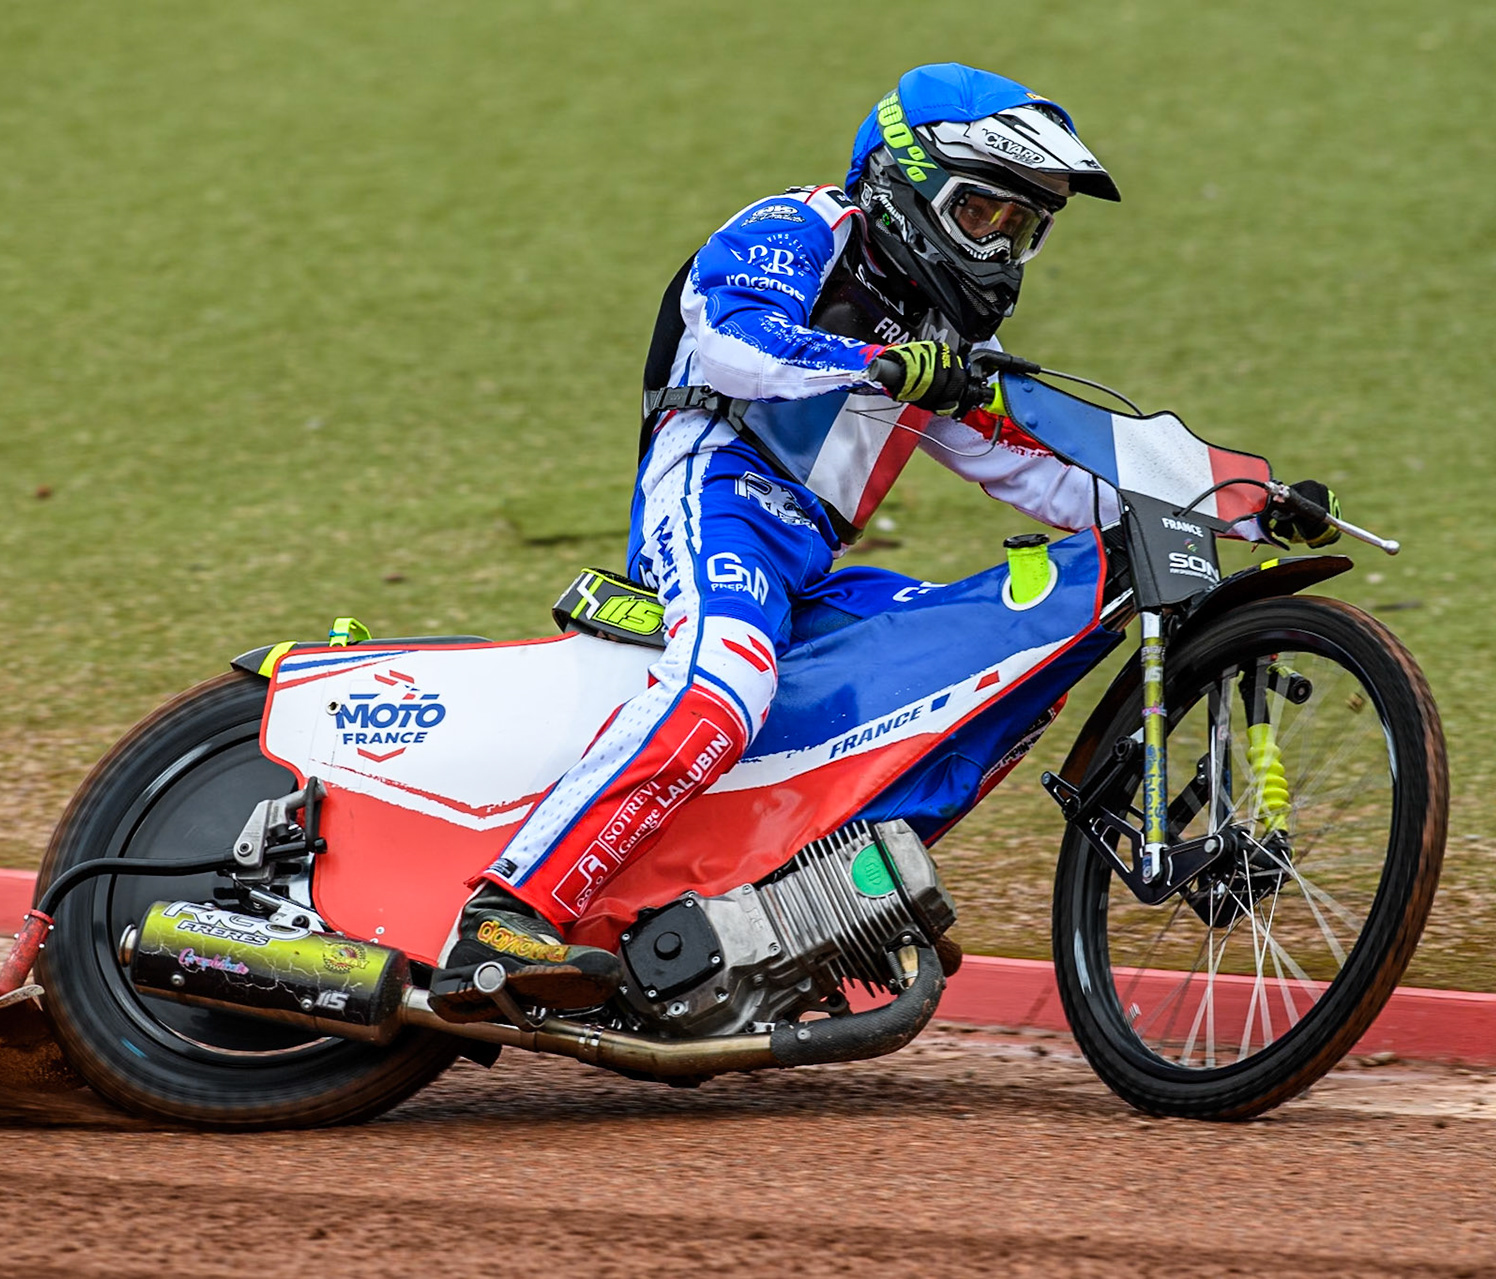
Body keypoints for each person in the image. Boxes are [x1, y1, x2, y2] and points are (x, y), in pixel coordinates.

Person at [428, 63, 1338, 1019]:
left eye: (1023, 229)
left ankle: (818, 907)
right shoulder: (803, 225)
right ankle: (507, 908)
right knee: (725, 681)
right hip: (713, 493)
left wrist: (1234, 502)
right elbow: (742, 340)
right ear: (907, 185)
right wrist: (880, 364)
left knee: (972, 679)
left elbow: (1041, 473)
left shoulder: (938, 342)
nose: (1001, 248)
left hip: (809, 558)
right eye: (983, 214)